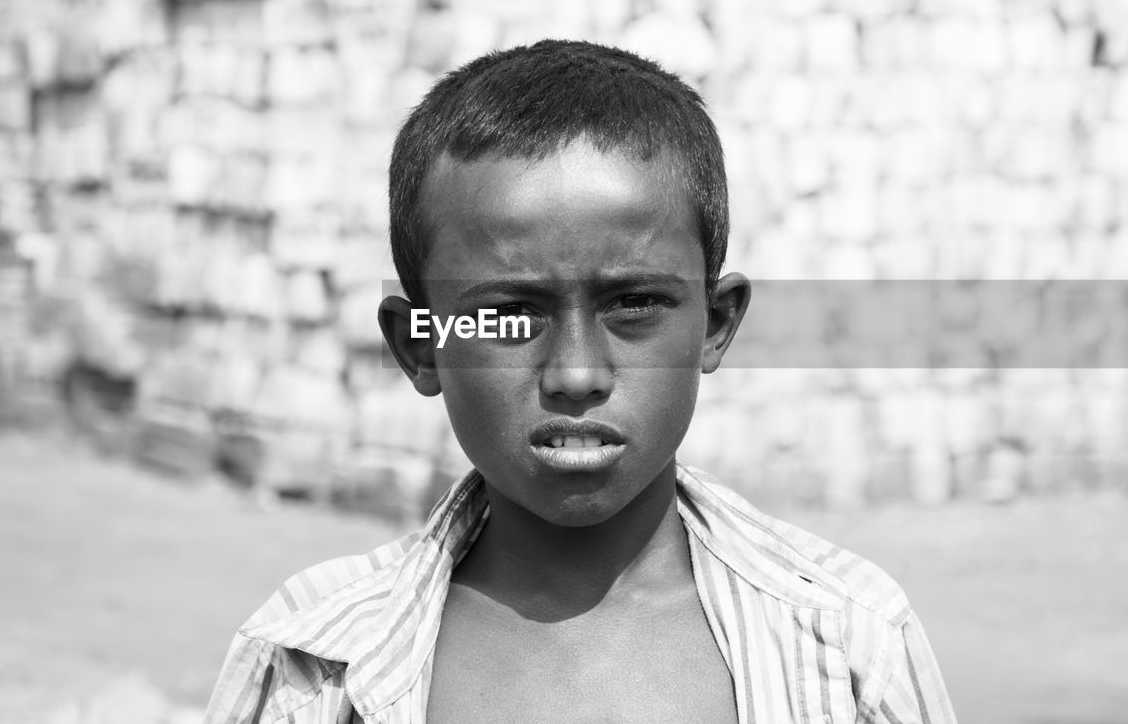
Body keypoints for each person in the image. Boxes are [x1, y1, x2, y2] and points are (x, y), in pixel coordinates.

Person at [203, 40, 957, 724]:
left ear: (716, 322)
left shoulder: (848, 646)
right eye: (509, 314)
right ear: (421, 344)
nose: (575, 373)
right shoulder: (309, 662)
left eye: (633, 304)